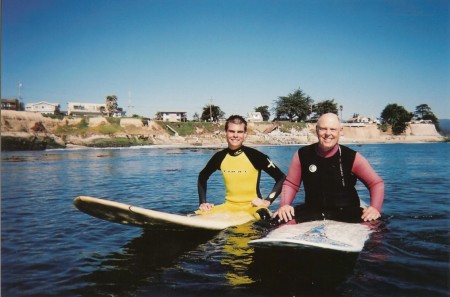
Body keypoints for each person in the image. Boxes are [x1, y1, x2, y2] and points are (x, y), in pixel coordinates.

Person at [274, 113, 384, 224]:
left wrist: (375, 208)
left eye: (333, 129)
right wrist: (284, 205)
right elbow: (291, 184)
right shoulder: (302, 154)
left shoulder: (352, 157)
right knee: (277, 220)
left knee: (376, 223)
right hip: (312, 210)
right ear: (316, 130)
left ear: (340, 131)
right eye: (323, 129)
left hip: (347, 212)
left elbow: (376, 183)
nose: (328, 133)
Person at [197, 115, 286, 220]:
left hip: (253, 208)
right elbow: (202, 176)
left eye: (239, 132)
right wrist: (203, 203)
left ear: (245, 134)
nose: (235, 135)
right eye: (231, 131)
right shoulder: (219, 157)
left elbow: (281, 178)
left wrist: (267, 201)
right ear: (225, 133)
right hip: (229, 207)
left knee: (264, 215)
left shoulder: (255, 156)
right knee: (199, 214)